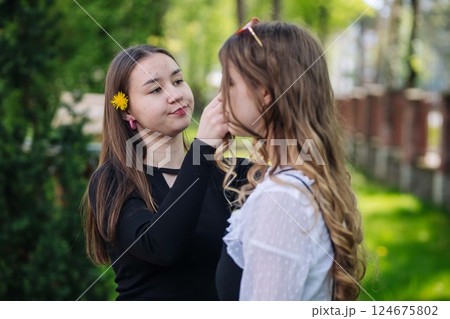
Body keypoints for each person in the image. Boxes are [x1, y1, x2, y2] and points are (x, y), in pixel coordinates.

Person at [215, 19, 366, 301]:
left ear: (266, 92)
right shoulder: (298, 181)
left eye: (230, 83)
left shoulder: (282, 199)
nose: (220, 96)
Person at [83, 44, 246, 300]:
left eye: (178, 81)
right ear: (127, 111)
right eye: (156, 89)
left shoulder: (231, 172)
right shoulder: (112, 181)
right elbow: (162, 247)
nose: (175, 94)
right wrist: (202, 151)